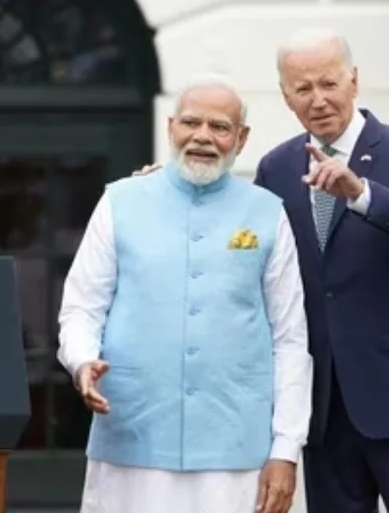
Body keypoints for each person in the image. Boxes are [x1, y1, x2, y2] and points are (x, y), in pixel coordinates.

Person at [57, 75, 313, 513]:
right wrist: (81, 360)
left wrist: (286, 449)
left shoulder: (267, 212)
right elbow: (82, 307)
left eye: (219, 127)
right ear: (171, 127)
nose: (203, 137)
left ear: (241, 138)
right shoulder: (120, 202)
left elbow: (291, 339)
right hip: (133, 437)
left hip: (235, 449)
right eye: (191, 123)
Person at [258, 28, 389, 513]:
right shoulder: (275, 167)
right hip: (326, 409)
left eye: (329, 84)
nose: (318, 100)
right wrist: (159, 192)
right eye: (303, 89)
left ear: (354, 81)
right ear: (285, 96)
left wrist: (362, 194)